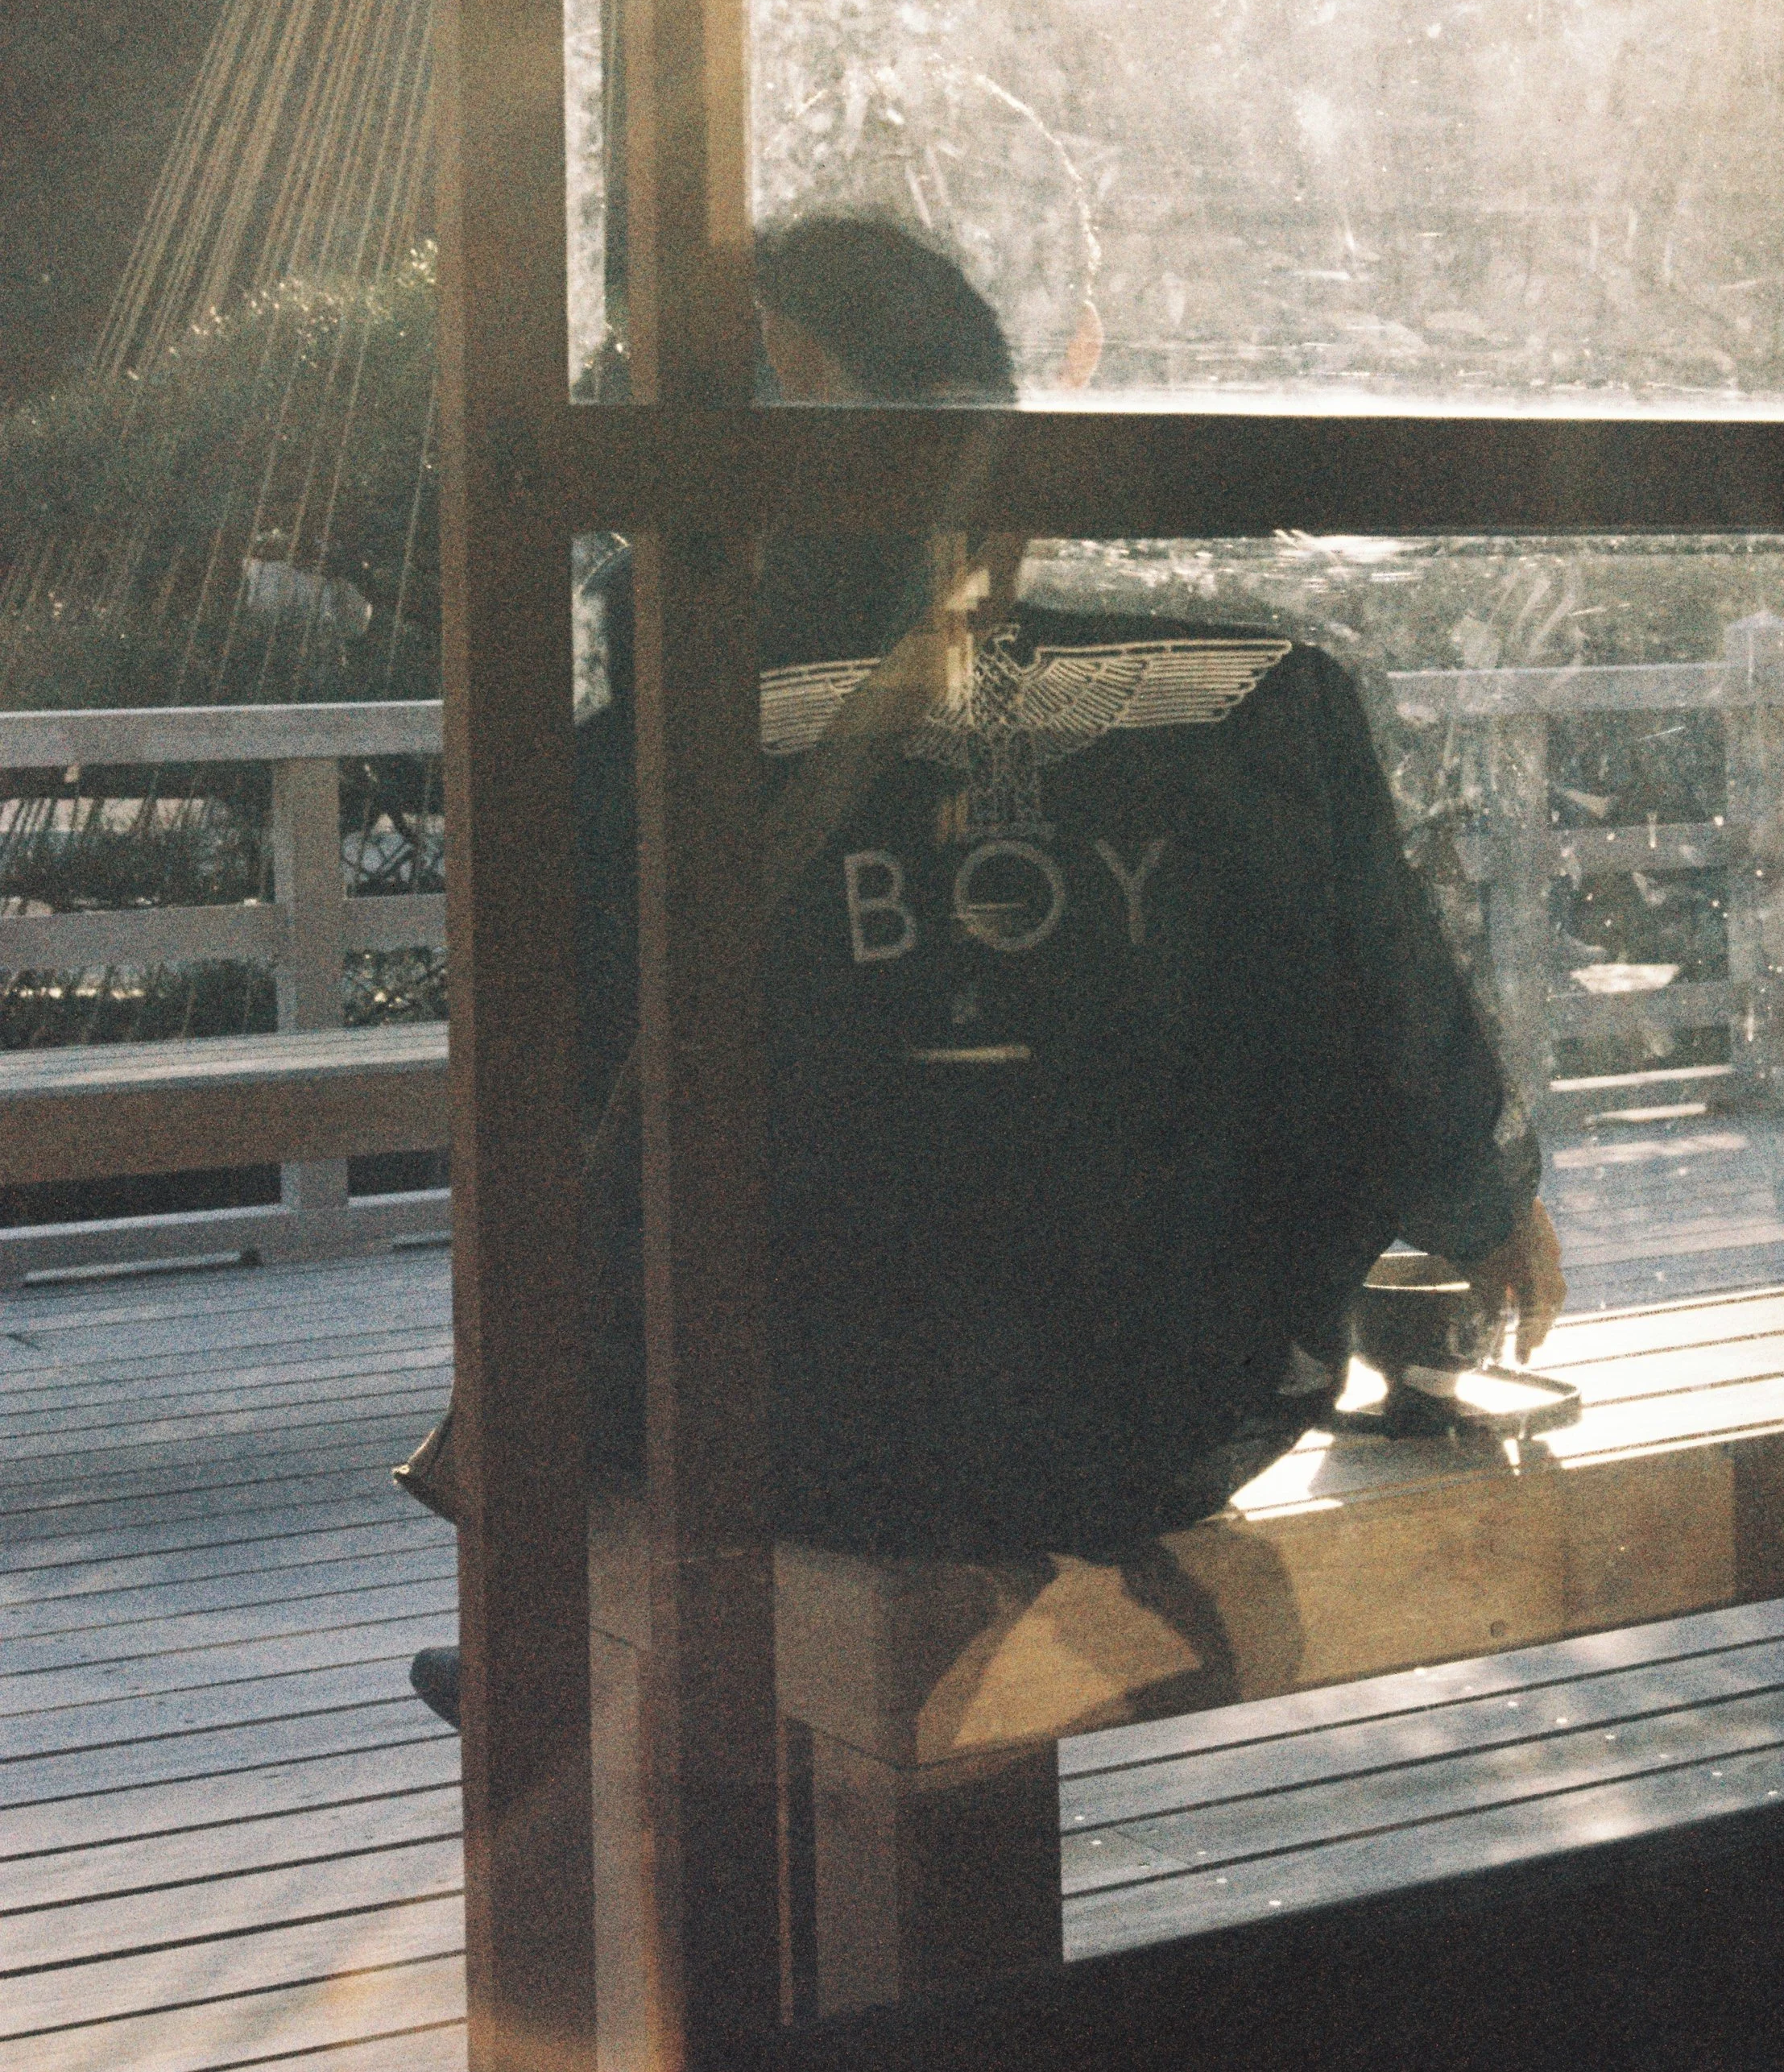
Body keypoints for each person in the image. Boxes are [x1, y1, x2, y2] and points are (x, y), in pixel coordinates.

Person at [404, 213, 1562, 1722]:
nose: (625, 431)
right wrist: (1488, 1200)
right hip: (1157, 1415)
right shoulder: (1255, 703)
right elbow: (1391, 1021)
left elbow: (559, 1121)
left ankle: (571, 1657)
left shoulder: (640, 765)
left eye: (644, 378)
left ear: (791, 374)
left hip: (774, 1429)